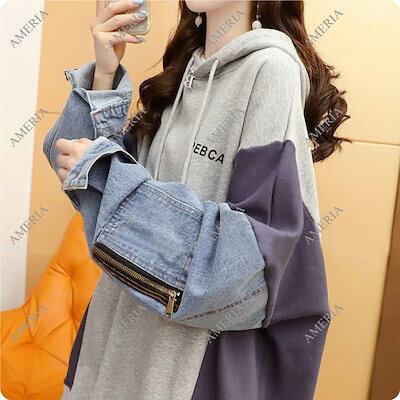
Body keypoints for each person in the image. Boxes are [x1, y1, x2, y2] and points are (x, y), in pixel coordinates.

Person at [43, 1, 349, 399]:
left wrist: (105, 173)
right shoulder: (182, 72)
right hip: (108, 349)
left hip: (178, 372)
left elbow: (254, 260)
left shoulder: (271, 70)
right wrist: (104, 73)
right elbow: (87, 188)